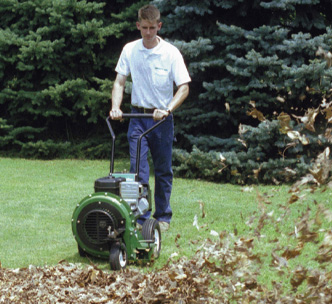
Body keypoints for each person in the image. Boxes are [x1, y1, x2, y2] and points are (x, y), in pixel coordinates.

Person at [109, 4, 191, 232]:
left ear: (159, 26)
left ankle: (163, 216)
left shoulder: (170, 52)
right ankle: (142, 219)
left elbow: (184, 87)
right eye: (144, 27)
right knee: (138, 171)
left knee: (163, 170)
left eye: (152, 28)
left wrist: (168, 109)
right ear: (138, 26)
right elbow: (119, 82)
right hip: (137, 117)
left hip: (162, 121)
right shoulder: (130, 50)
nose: (147, 32)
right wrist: (116, 106)